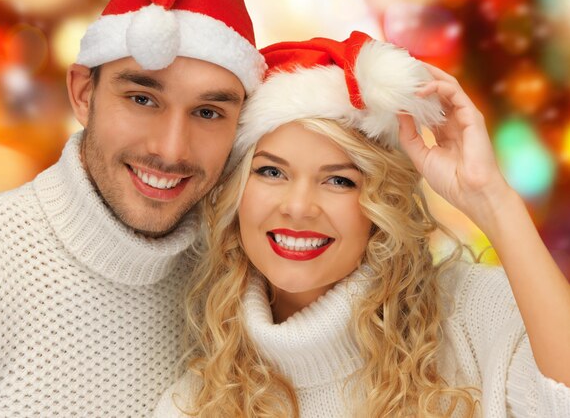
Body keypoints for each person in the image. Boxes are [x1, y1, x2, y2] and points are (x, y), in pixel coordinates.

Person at [154, 32, 570, 417]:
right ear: (235, 191)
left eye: (339, 180)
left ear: (380, 202)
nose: (299, 208)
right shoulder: (194, 404)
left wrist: (492, 200)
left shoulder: (472, 312)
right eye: (271, 172)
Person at [0, 0, 266, 416]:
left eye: (207, 111)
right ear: (82, 93)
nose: (170, 149)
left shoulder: (235, 284)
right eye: (142, 99)